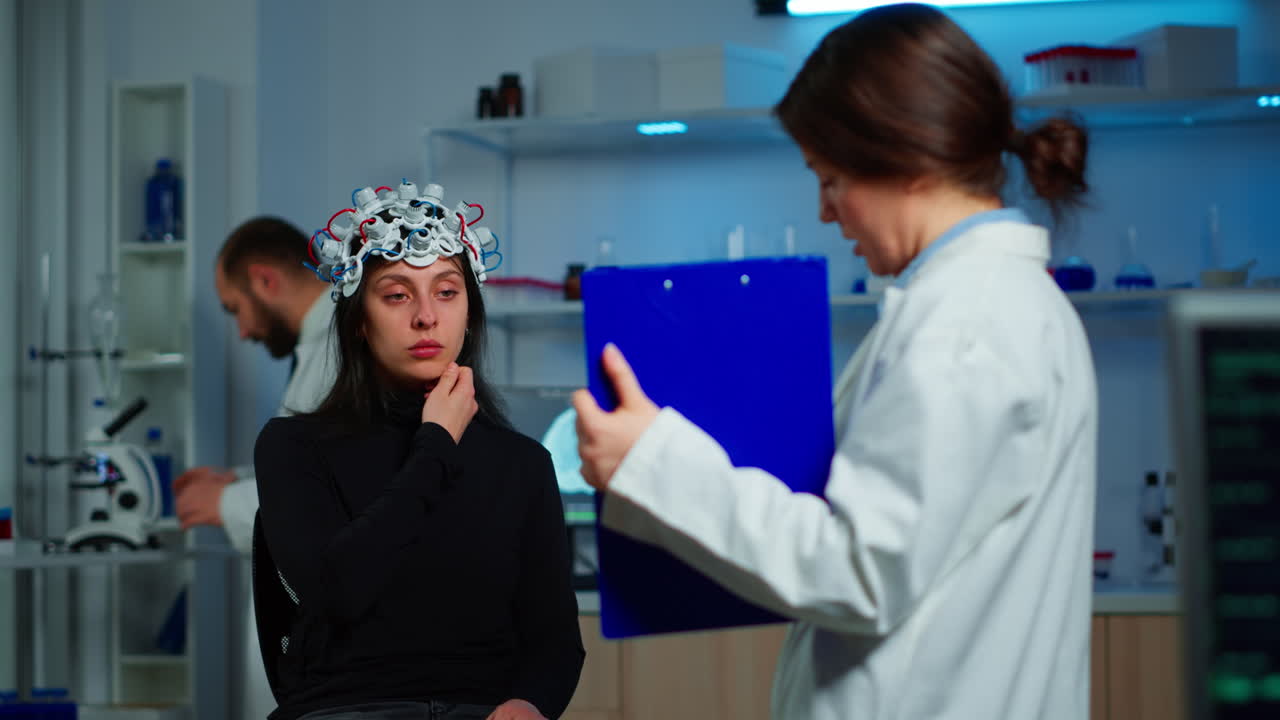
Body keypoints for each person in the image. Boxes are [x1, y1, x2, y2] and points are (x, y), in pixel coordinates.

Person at [573, 4, 1096, 720]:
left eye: (829, 179)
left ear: (905, 161)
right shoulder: (992, 305)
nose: (826, 213)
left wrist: (651, 462)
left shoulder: (967, 325)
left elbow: (861, 570)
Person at [253, 182, 584, 720]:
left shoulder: (523, 464)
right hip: (348, 710)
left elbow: (555, 641)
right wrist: (435, 446)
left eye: (447, 292)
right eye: (398, 294)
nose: (426, 316)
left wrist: (530, 704)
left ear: (470, 313)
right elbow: (338, 592)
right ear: (360, 320)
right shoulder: (293, 447)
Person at [173, 216, 339, 720]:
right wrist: (239, 480)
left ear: (265, 280)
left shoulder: (341, 348)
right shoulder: (321, 346)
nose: (242, 331)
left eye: (236, 309)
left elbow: (331, 499)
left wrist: (222, 503)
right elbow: (314, 459)